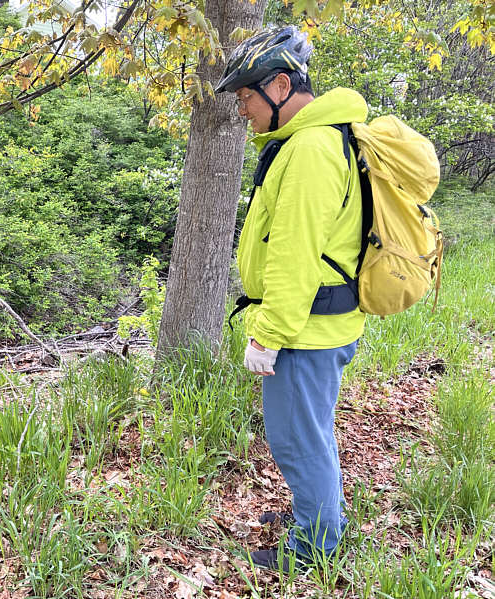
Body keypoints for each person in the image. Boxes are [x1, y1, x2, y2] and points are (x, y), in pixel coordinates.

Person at [215, 25, 368, 571]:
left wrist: (268, 335)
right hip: (319, 327)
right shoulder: (313, 139)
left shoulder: (309, 148)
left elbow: (294, 254)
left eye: (246, 97)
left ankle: (315, 548)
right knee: (312, 433)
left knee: (297, 441)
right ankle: (320, 512)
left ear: (280, 86)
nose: (242, 111)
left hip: (304, 332)